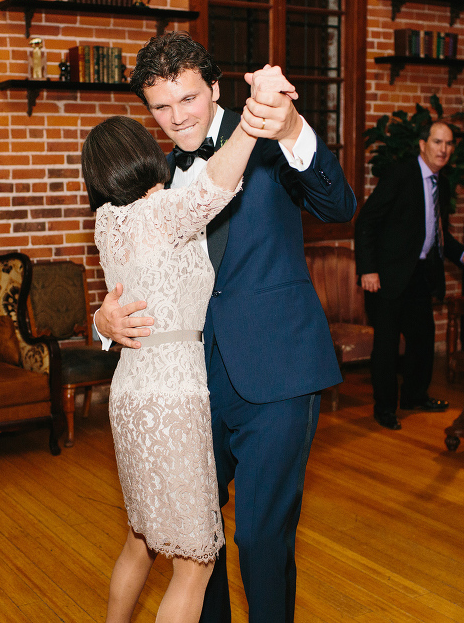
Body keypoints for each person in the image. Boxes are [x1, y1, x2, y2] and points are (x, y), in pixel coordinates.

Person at [95, 32, 357, 623]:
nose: (175, 118)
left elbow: (339, 207)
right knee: (197, 542)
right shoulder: (152, 176)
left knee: (261, 540)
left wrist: (290, 130)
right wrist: (102, 320)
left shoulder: (265, 133)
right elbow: (130, 273)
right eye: (160, 107)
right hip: (187, 387)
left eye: (187, 99)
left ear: (214, 88)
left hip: (277, 370)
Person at [84, 68, 297, 622]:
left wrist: (102, 322)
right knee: (195, 564)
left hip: (129, 393)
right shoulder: (161, 214)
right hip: (174, 397)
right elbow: (217, 185)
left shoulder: (107, 222)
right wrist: (254, 120)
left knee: (141, 539)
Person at [354, 121, 464, 431]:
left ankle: (414, 396)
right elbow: (366, 221)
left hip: (420, 274)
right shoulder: (400, 175)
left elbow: (436, 232)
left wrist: (463, 255)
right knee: (386, 346)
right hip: (386, 276)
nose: (444, 149)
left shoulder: (441, 182)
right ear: (423, 144)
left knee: (422, 339)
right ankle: (385, 408)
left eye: (448, 144)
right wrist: (368, 269)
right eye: (437, 142)